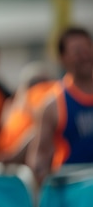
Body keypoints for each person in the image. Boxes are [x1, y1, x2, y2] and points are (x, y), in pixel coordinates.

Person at [27, 26, 93, 185]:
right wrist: (41, 174)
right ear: (62, 58)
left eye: (87, 48)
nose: (85, 56)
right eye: (77, 51)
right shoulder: (53, 104)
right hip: (74, 194)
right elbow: (39, 156)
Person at [0, 61, 56, 164]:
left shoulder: (45, 95)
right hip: (11, 161)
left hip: (25, 162)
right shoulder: (12, 103)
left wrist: (15, 156)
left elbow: (38, 130)